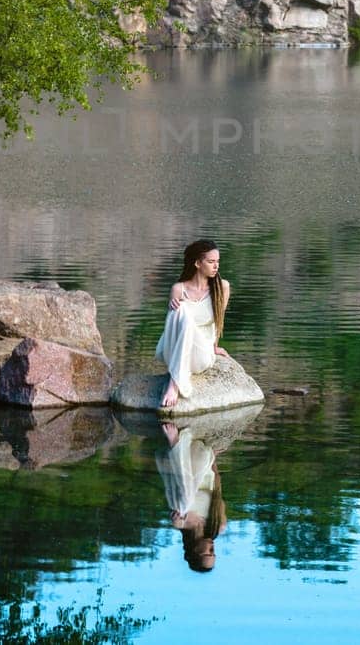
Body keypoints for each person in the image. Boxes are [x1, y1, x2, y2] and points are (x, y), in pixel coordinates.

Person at [155, 238, 230, 409]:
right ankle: (175, 381)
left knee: (184, 313)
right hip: (173, 351)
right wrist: (172, 308)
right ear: (197, 263)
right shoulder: (178, 289)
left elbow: (219, 321)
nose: (216, 266)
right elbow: (172, 328)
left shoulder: (222, 287)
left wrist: (214, 346)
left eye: (217, 262)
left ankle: (173, 384)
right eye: (211, 262)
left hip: (200, 355)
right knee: (180, 310)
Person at [156, 422, 227, 573]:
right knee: (186, 499)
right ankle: (177, 445)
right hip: (203, 463)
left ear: (194, 550)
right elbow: (217, 490)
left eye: (208, 552)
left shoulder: (180, 523)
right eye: (214, 553)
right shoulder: (218, 525)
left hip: (182, 468)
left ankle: (175, 444)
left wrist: (178, 516)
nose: (213, 549)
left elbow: (174, 487)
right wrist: (213, 460)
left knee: (184, 503)